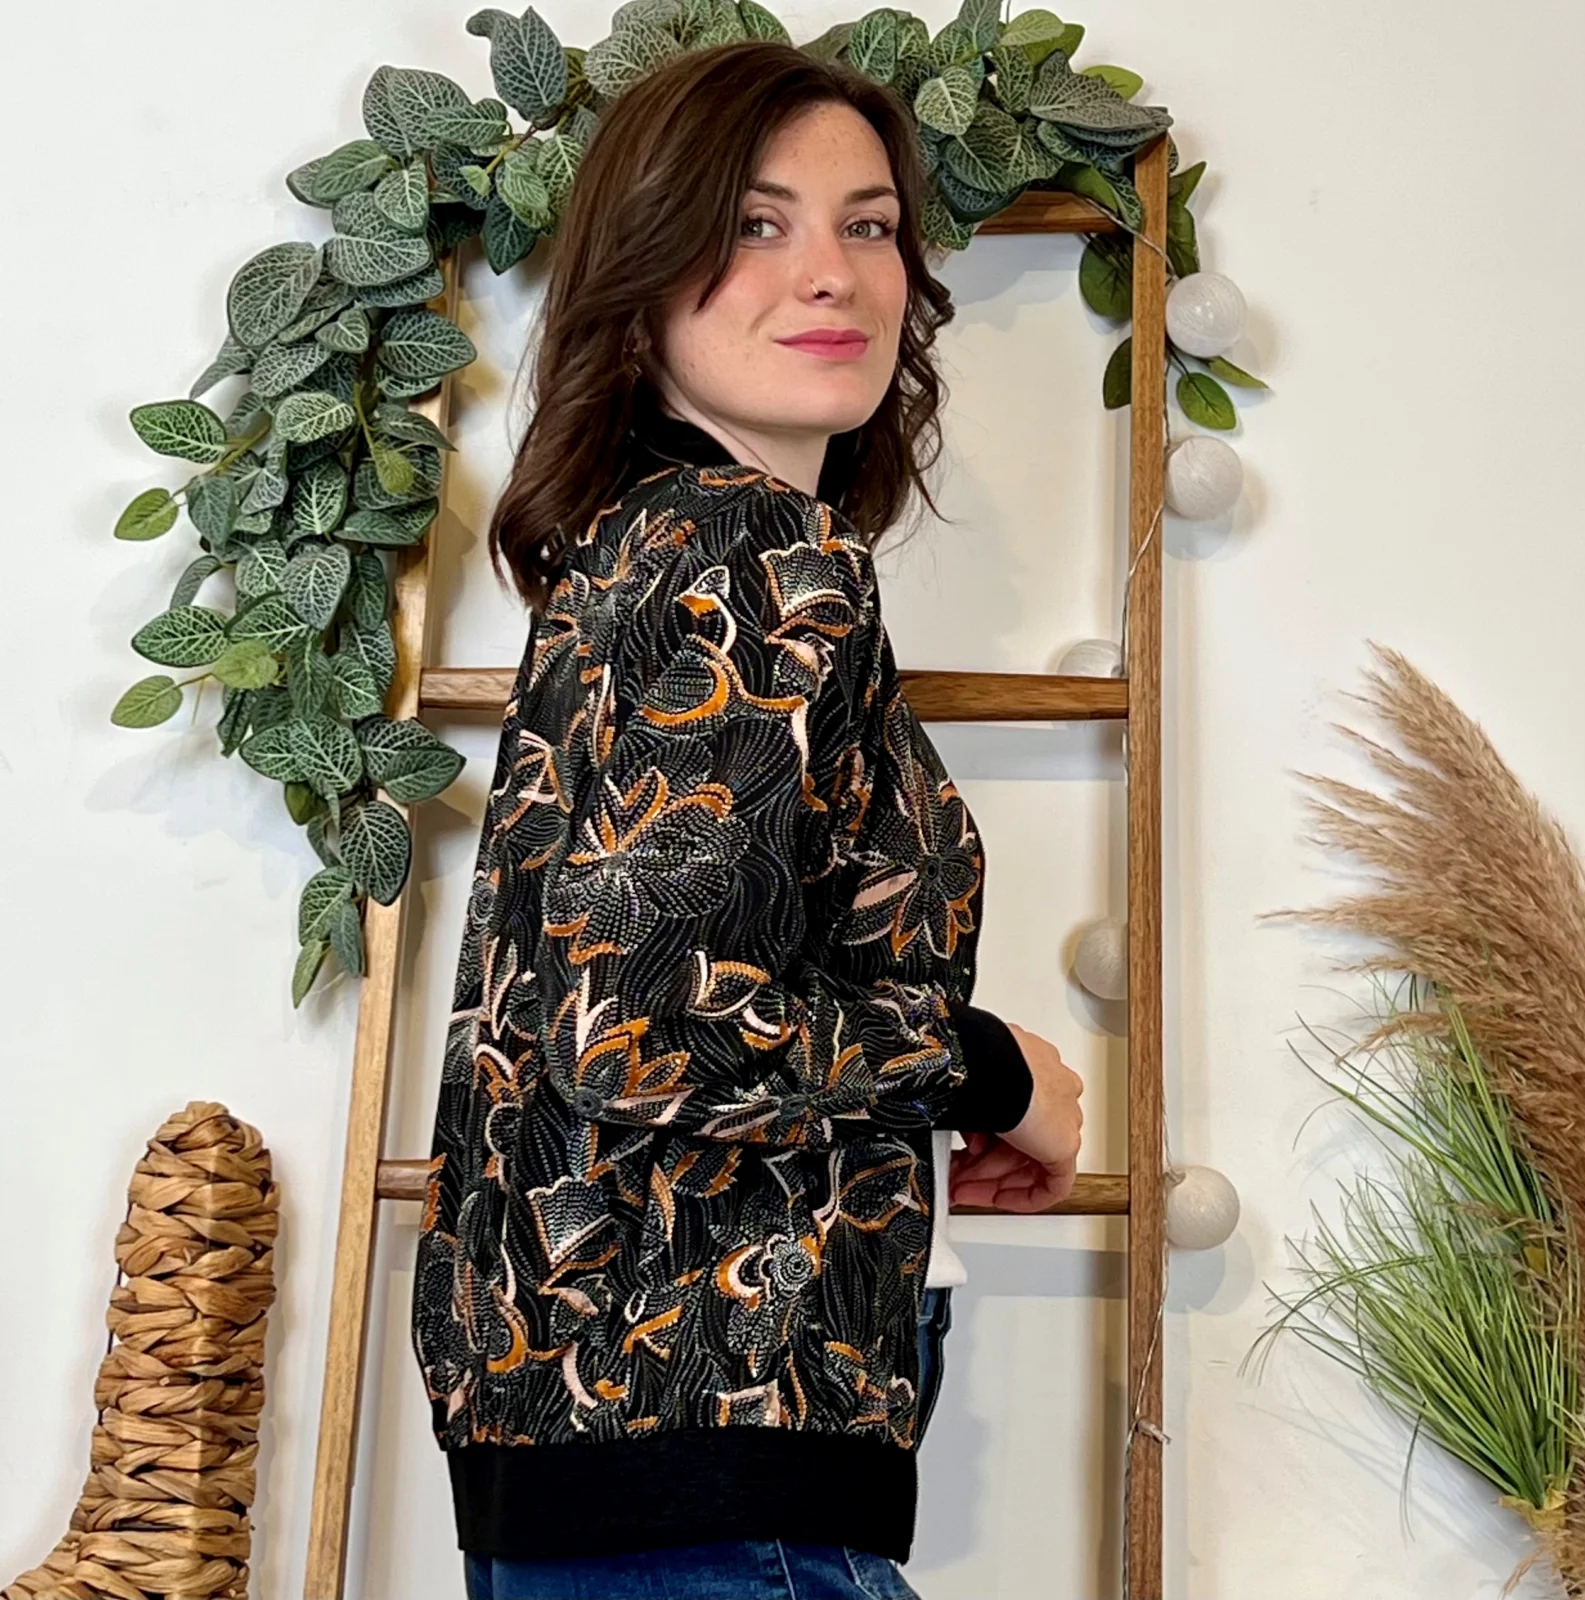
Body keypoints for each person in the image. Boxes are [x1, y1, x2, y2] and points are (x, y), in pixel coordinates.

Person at [411, 38, 1085, 1600]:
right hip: (712, 1470)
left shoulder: (636, 550)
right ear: (643, 276)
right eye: (757, 224)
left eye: (870, 224)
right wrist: (990, 1068)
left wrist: (920, 1114)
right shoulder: (756, 558)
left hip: (593, 1462)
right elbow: (639, 1028)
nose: (830, 272)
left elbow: (607, 1000)